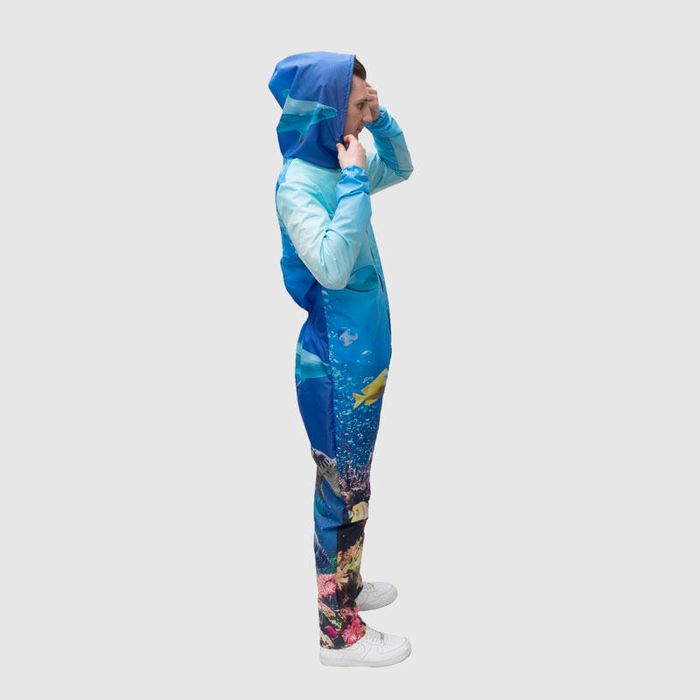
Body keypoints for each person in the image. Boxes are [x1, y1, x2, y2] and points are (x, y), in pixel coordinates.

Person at [268, 51, 413, 667]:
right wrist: (354, 179)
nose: (366, 108)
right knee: (340, 490)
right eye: (358, 103)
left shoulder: (337, 159)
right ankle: (338, 633)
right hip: (333, 369)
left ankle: (345, 584)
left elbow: (401, 167)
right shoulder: (302, 184)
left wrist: (381, 121)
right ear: (327, 111)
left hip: (363, 364)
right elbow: (330, 266)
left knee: (354, 484)